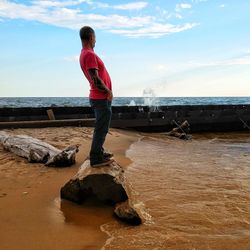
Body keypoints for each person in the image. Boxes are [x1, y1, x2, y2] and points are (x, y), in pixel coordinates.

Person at [79, 26, 114, 167]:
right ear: (91, 37)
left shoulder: (85, 54)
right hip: (100, 98)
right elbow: (95, 79)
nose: (95, 42)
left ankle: (98, 151)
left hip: (99, 97)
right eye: (95, 38)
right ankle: (95, 158)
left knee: (101, 127)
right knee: (101, 128)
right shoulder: (89, 54)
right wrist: (108, 91)